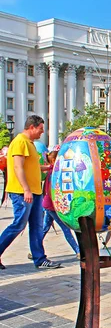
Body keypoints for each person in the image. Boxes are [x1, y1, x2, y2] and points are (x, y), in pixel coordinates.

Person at [0, 115, 60, 270]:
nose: (42, 132)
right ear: (32, 127)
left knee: (37, 226)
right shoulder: (20, 142)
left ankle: (40, 259)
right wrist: (26, 189)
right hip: (22, 192)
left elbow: (30, 166)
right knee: (19, 224)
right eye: (40, 129)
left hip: (35, 192)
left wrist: (46, 168)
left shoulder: (30, 144)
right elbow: (18, 167)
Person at [40, 150, 80, 258]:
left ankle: (35, 249)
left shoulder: (53, 171)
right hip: (52, 205)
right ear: (54, 160)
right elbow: (53, 189)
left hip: (49, 204)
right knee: (65, 228)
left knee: (44, 228)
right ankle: (78, 251)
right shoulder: (55, 172)